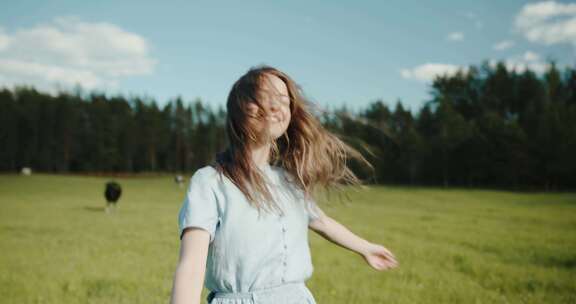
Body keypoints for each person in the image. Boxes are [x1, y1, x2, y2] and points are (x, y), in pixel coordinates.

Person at [170, 65, 398, 304]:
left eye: (284, 100)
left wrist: (366, 248)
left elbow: (320, 221)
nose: (277, 106)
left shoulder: (287, 180)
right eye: (265, 97)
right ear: (239, 109)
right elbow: (191, 267)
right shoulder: (210, 182)